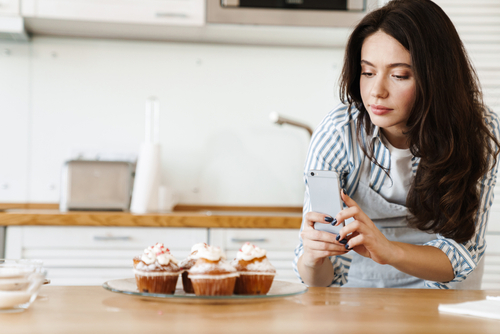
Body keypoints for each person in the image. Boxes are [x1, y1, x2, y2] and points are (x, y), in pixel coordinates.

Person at [293, 0, 500, 289]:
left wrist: (388, 249)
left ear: (437, 78)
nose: (376, 91)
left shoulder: (477, 132)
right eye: (367, 72)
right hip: (364, 293)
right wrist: (314, 258)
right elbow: (321, 279)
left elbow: (462, 252)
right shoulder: (339, 134)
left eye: (399, 75)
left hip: (449, 295)